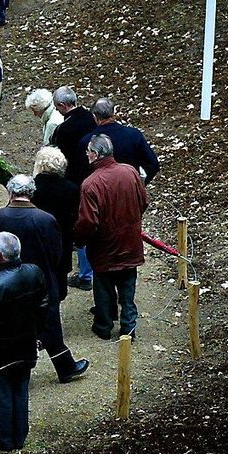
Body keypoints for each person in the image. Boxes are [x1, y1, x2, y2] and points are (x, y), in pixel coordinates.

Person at [0, 175, 89, 382]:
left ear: (10, 192)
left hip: (10, 281)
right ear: (31, 193)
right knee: (50, 325)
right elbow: (57, 254)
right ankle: (65, 367)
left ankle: (23, 370)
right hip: (41, 281)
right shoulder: (46, 219)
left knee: (14, 327)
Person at [0, 231, 48, 452]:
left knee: (0, 394)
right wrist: (37, 335)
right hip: (25, 345)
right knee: (20, 390)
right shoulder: (34, 272)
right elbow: (44, 306)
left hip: (0, 352)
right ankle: (19, 435)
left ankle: (4, 438)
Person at [74, 134, 149, 340]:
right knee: (127, 288)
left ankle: (103, 325)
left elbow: (88, 222)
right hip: (130, 243)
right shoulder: (130, 172)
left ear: (95, 154)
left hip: (104, 247)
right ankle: (128, 327)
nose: (86, 154)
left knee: (104, 288)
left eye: (88, 151)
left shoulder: (91, 184)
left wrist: (79, 240)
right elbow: (143, 202)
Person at [49, 85, 97, 290]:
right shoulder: (91, 118)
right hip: (97, 177)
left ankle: (86, 274)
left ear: (62, 105)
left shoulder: (65, 129)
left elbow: (60, 160)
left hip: (75, 183)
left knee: (79, 226)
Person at [31, 146, 80, 302]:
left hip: (36, 242)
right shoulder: (72, 189)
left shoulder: (31, 187)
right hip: (61, 242)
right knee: (57, 289)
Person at [78, 97, 160, 184]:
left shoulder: (87, 142)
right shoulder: (133, 135)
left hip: (101, 192)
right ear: (113, 113)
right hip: (129, 188)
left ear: (94, 116)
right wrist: (139, 184)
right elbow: (153, 165)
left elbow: (81, 174)